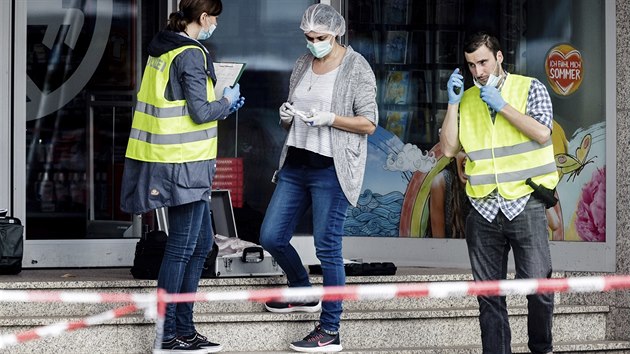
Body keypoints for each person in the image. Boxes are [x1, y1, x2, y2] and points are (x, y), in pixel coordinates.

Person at [120, 0, 244, 352]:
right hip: (183, 164)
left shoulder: (164, 49)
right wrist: (228, 103)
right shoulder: (191, 53)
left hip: (175, 160)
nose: (215, 24)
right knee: (181, 248)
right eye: (214, 17)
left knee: (203, 245)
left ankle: (184, 330)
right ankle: (168, 334)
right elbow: (201, 111)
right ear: (203, 18)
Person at [258, 4, 377, 353]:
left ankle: (330, 329)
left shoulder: (357, 67)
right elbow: (295, 113)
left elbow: (369, 122)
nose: (313, 43)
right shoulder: (301, 64)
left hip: (332, 168)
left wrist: (331, 118)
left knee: (328, 247)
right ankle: (301, 288)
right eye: (308, 37)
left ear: (336, 32)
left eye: (320, 37)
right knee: (271, 235)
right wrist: (286, 117)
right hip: (296, 163)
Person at [439, 31, 557, 354]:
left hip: (524, 202)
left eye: (483, 62)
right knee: (489, 297)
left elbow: (542, 133)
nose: (478, 72)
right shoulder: (467, 99)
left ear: (499, 57)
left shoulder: (530, 88)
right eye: (471, 65)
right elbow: (449, 148)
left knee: (540, 288)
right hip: (483, 207)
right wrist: (452, 104)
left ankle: (541, 348)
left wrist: (503, 106)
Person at [429, 151, 470, 238]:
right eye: (463, 150)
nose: (468, 157)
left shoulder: (487, 182)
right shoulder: (441, 182)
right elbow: (438, 242)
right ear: (455, 154)